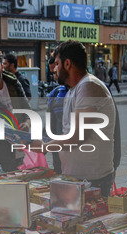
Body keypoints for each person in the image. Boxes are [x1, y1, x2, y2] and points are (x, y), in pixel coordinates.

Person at [46, 40, 116, 196]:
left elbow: (78, 136)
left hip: (92, 180)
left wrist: (45, 146)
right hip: (76, 177)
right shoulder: (74, 89)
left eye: (57, 64)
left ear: (67, 63)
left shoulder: (88, 86)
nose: (54, 69)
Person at [47, 56, 67, 174]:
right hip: (58, 156)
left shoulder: (90, 89)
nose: (55, 77)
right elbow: (50, 124)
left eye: (56, 71)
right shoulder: (55, 94)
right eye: (52, 73)